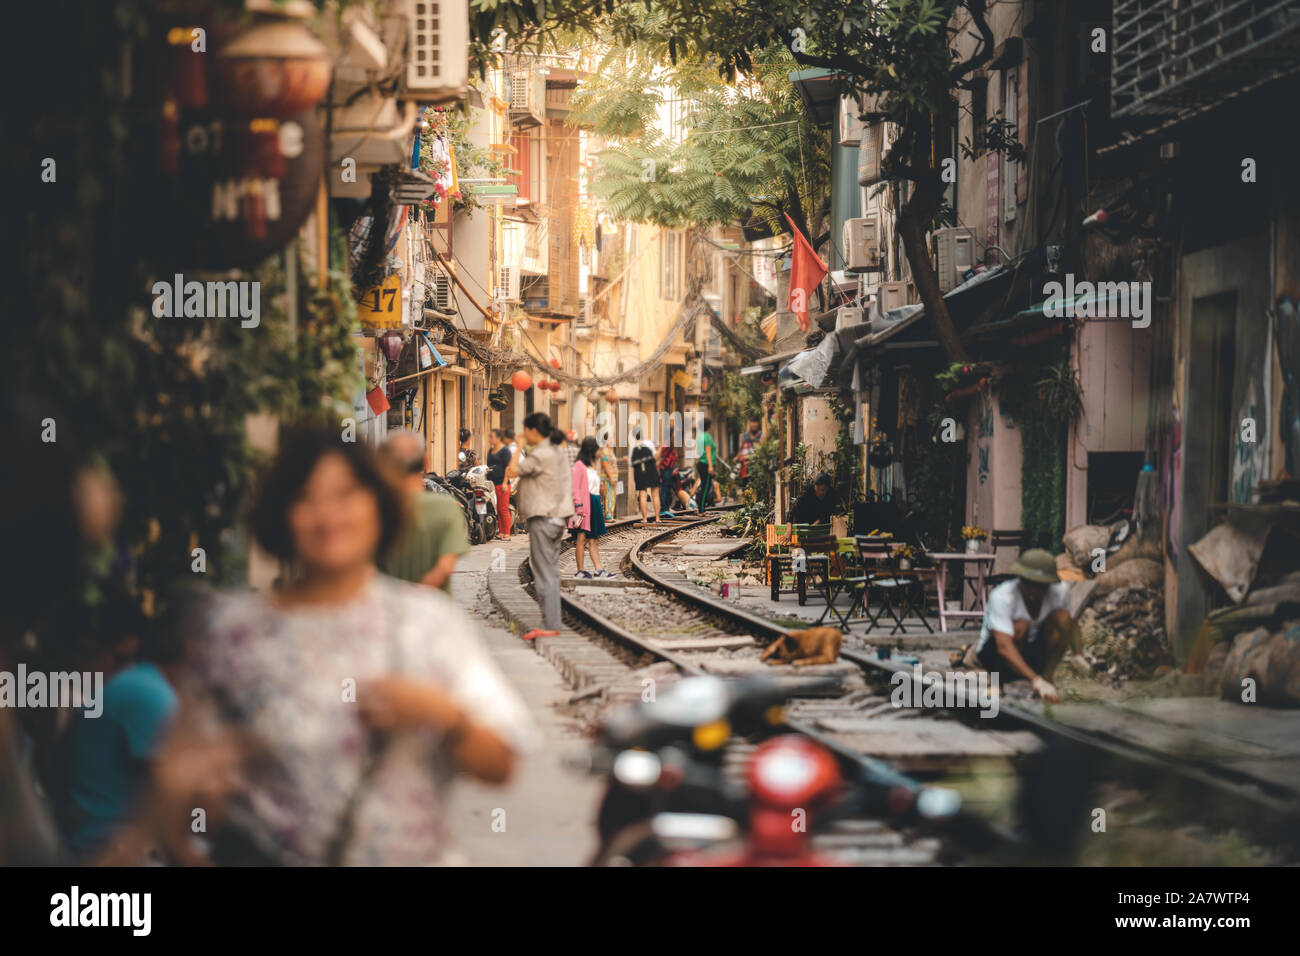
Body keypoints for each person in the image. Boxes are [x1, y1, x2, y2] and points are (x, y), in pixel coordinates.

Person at [196, 425, 533, 865]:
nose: (327, 515)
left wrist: (442, 713)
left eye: (346, 495)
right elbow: (182, 787)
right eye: (306, 498)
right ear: (279, 514)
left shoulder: (426, 622)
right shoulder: (234, 635)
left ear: (379, 505)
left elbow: (502, 765)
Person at [59, 591, 193, 862]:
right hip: (113, 849)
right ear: (191, 647)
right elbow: (172, 797)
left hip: (96, 842)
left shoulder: (141, 683)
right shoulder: (151, 695)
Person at [963, 549, 1082, 703]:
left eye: (1039, 586)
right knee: (1021, 626)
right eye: (1028, 584)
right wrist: (1035, 680)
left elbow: (1070, 625)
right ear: (1020, 579)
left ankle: (1048, 679)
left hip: (1033, 650)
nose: (1033, 591)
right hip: (997, 655)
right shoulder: (1003, 596)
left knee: (1062, 618)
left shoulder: (1060, 592)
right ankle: (997, 683)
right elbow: (1003, 646)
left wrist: (1079, 655)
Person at [506, 412, 575, 641]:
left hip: (543, 518)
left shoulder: (541, 454)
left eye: (525, 431)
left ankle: (550, 624)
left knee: (544, 573)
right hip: (558, 517)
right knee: (551, 572)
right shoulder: (557, 451)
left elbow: (511, 471)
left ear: (533, 431)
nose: (524, 435)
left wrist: (517, 447)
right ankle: (551, 621)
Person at [378, 431, 470, 593]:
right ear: (426, 462)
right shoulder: (447, 508)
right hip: (434, 610)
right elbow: (445, 568)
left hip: (384, 611)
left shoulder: (374, 510)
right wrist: (417, 597)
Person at [570, 437, 611, 578]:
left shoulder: (590, 465)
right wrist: (579, 507)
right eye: (597, 449)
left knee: (594, 538)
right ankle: (580, 571)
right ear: (591, 449)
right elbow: (575, 488)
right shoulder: (579, 466)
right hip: (584, 504)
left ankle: (599, 569)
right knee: (581, 538)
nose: (599, 451)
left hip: (593, 501)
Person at [486, 428, 513, 539]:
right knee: (498, 508)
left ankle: (507, 533)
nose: (490, 439)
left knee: (503, 508)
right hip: (492, 483)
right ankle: (501, 532)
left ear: (497, 438)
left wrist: (505, 482)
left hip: (502, 482)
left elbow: (508, 467)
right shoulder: (490, 450)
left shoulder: (505, 450)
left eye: (491, 437)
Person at [630, 427, 659, 523]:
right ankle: (658, 518)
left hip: (640, 473)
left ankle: (644, 519)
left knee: (643, 495)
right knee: (655, 494)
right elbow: (655, 456)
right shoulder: (649, 444)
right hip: (652, 470)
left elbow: (631, 463)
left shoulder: (632, 447)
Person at [659, 424, 681, 518]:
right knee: (664, 489)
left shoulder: (669, 443)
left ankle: (665, 508)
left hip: (668, 468)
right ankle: (663, 509)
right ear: (671, 433)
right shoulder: (666, 443)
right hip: (665, 469)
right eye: (674, 433)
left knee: (667, 489)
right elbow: (663, 456)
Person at [695, 417, 717, 513]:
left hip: (701, 463)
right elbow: (708, 452)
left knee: (704, 486)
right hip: (705, 464)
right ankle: (701, 510)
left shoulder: (700, 436)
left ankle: (701, 508)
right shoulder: (707, 437)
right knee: (706, 487)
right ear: (709, 426)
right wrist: (710, 466)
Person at [596, 439, 619, 521]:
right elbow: (605, 465)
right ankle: (608, 515)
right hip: (608, 478)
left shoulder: (611, 451)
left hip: (613, 477)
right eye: (611, 440)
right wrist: (611, 477)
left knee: (612, 496)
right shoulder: (605, 451)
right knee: (609, 495)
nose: (613, 441)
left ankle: (610, 514)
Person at [737, 417, 763, 486]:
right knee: (745, 485)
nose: (753, 427)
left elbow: (763, 449)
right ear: (749, 425)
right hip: (745, 466)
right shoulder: (743, 436)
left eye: (755, 426)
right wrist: (738, 459)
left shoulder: (761, 435)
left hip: (757, 465)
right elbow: (740, 450)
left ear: (758, 425)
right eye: (752, 426)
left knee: (756, 484)